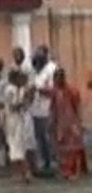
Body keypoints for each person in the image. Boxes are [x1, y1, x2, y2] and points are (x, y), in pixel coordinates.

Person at [2, 68, 35, 183]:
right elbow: (12, 106)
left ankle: (25, 172)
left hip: (18, 121)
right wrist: (23, 101)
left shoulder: (19, 90)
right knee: (14, 146)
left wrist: (27, 99)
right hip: (12, 120)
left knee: (19, 147)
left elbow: (24, 105)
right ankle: (19, 173)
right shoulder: (10, 90)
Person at [29, 45, 59, 176]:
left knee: (48, 137)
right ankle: (44, 162)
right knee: (39, 137)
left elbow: (54, 90)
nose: (37, 57)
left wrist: (39, 90)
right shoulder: (36, 70)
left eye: (40, 54)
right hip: (36, 109)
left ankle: (53, 163)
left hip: (48, 108)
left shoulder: (52, 69)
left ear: (46, 55)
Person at [52, 68, 85, 181]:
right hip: (61, 123)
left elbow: (77, 107)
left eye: (59, 77)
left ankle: (76, 172)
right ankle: (66, 171)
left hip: (71, 122)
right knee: (63, 149)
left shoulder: (71, 90)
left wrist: (78, 122)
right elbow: (53, 108)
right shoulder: (55, 91)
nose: (57, 80)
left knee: (74, 148)